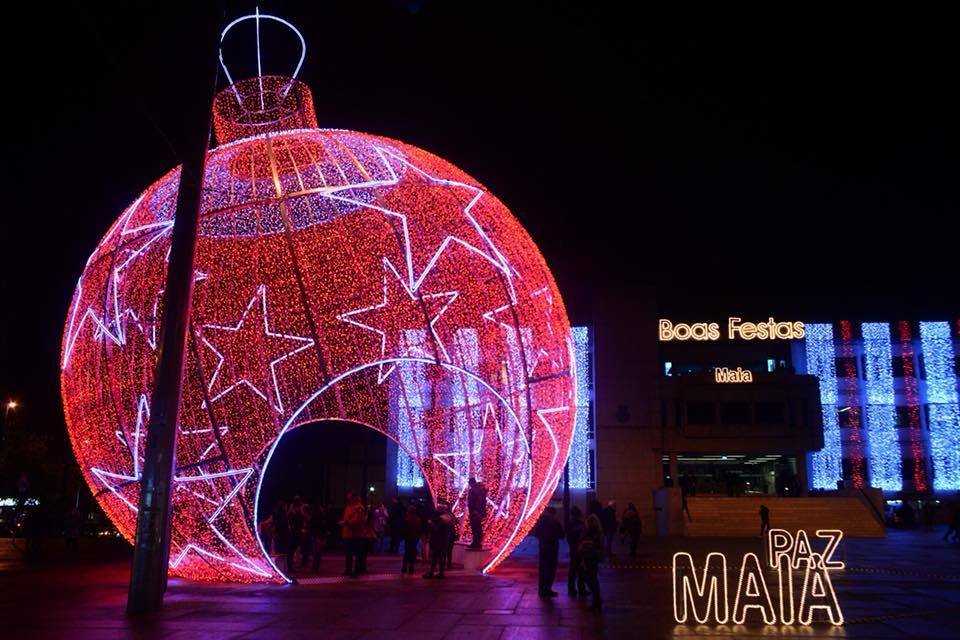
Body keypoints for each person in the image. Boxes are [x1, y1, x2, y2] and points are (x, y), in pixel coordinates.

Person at [533, 506, 565, 598]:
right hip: (552, 547)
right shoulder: (555, 522)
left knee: (543, 568)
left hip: (543, 547)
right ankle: (547, 589)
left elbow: (536, 533)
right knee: (550, 569)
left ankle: (542, 589)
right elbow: (561, 534)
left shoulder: (541, 521)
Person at [580, 514, 604, 612]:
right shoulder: (598, 532)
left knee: (590, 578)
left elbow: (585, 543)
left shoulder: (589, 532)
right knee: (592, 578)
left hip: (588, 557)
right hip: (593, 557)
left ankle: (597, 600)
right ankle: (596, 599)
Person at [424, 503, 453, 579]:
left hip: (437, 541)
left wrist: (430, 524)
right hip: (444, 541)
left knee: (435, 557)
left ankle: (432, 572)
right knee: (441, 557)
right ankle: (441, 573)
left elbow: (436, 530)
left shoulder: (439, 519)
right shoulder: (448, 519)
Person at [340, 492, 366, 577]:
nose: (348, 500)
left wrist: (346, 522)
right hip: (348, 534)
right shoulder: (349, 506)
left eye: (349, 498)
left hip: (355, 534)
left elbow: (357, 520)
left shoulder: (359, 507)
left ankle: (356, 571)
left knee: (357, 554)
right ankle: (348, 570)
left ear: (354, 498)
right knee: (348, 554)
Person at [566, 506, 587, 597]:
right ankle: (581, 588)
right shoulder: (581, 524)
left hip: (573, 547)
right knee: (580, 569)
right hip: (579, 547)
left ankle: (572, 589)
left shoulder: (570, 523)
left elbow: (568, 535)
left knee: (573, 569)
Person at [467, 478, 488, 549]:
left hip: (474, 512)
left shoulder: (472, 490)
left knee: (475, 528)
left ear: (470, 483)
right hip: (480, 512)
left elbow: (471, 502)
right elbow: (484, 502)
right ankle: (478, 543)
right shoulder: (482, 490)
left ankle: (475, 543)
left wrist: (474, 510)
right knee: (478, 528)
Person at [286, 496, 306, 573]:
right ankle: (290, 568)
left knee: (292, 551)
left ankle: (291, 567)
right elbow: (294, 525)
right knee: (291, 551)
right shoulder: (293, 513)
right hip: (294, 535)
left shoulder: (295, 512)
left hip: (295, 534)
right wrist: (300, 530)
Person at [401, 506, 421, 574]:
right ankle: (411, 568)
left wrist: (404, 535)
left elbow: (405, 529)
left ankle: (404, 568)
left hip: (408, 537)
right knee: (412, 552)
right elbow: (419, 529)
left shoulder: (407, 519)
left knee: (407, 552)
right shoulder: (418, 519)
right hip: (415, 537)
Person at [309, 503, 326, 573]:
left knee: (315, 551)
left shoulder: (313, 517)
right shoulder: (321, 516)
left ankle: (315, 566)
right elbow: (322, 527)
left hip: (315, 535)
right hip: (319, 535)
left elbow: (312, 526)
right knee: (318, 552)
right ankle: (316, 566)